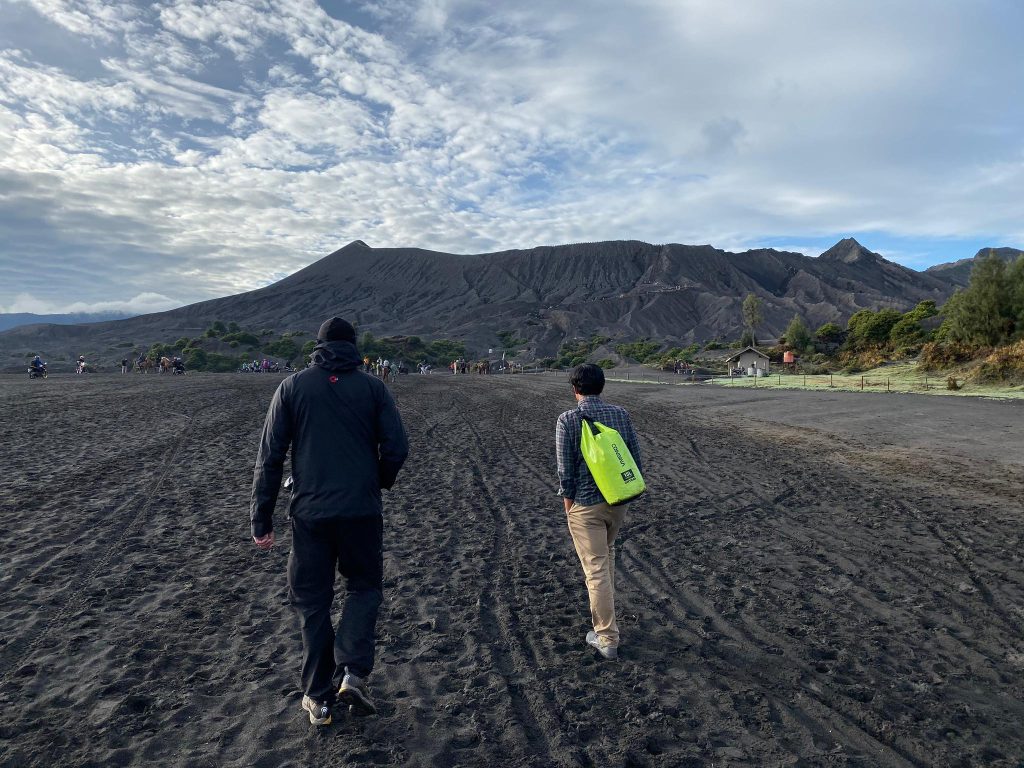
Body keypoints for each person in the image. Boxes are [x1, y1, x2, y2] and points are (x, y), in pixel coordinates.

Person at [250, 317, 409, 727]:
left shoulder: (293, 387)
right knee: (364, 587)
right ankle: (353, 673)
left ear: (317, 345)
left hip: (310, 514)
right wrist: (377, 481)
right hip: (361, 510)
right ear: (355, 347)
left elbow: (269, 456)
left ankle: (318, 698)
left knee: (312, 601)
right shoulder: (373, 387)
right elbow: (397, 447)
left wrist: (260, 517)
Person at [555, 363, 643, 661]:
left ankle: (606, 638)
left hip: (586, 505)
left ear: (574, 389)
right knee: (606, 559)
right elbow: (634, 458)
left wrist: (569, 507)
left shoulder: (568, 419)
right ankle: (608, 624)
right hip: (617, 502)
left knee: (595, 571)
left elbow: (565, 471)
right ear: (602, 386)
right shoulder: (620, 415)